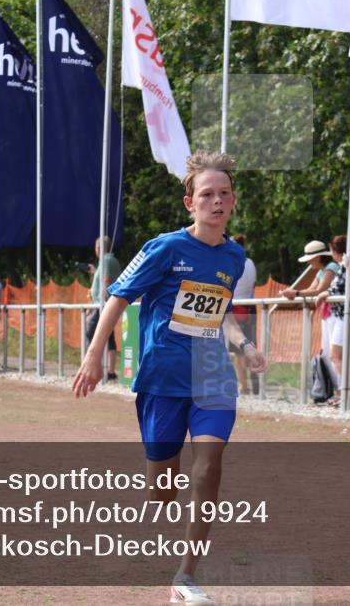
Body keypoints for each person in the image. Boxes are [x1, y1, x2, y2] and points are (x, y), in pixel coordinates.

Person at [73, 151, 267, 605]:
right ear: (189, 203)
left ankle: (185, 575)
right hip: (162, 378)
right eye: (206, 195)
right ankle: (162, 488)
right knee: (163, 489)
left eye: (223, 194)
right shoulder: (164, 248)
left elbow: (221, 316)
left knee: (208, 471)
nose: (215, 202)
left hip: (212, 379)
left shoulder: (234, 257)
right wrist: (94, 354)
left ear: (233, 201)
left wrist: (244, 345)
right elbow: (117, 299)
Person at [315, 235, 350, 402]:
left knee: (336, 355)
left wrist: (325, 293)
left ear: (334, 251)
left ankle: (348, 392)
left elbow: (339, 289)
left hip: (347, 317)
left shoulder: (347, 265)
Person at [281, 240, 340, 370]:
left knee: (333, 352)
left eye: (310, 259)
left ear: (318, 257)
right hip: (327, 314)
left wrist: (295, 293)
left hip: (336, 314)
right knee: (327, 351)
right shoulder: (322, 271)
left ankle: (341, 386)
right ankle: (335, 385)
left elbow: (319, 290)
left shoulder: (331, 267)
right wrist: (295, 293)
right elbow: (311, 289)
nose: (308, 262)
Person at [85, 236, 123, 381]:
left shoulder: (106, 260)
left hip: (103, 305)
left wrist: (101, 301)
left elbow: (106, 280)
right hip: (102, 304)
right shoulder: (108, 261)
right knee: (109, 337)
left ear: (98, 248)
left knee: (91, 332)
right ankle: (111, 371)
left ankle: (96, 366)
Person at [228, 234, 258, 395]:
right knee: (249, 346)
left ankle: (243, 386)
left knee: (239, 351)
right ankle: (255, 384)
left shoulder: (231, 262)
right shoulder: (250, 262)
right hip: (250, 307)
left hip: (236, 307)